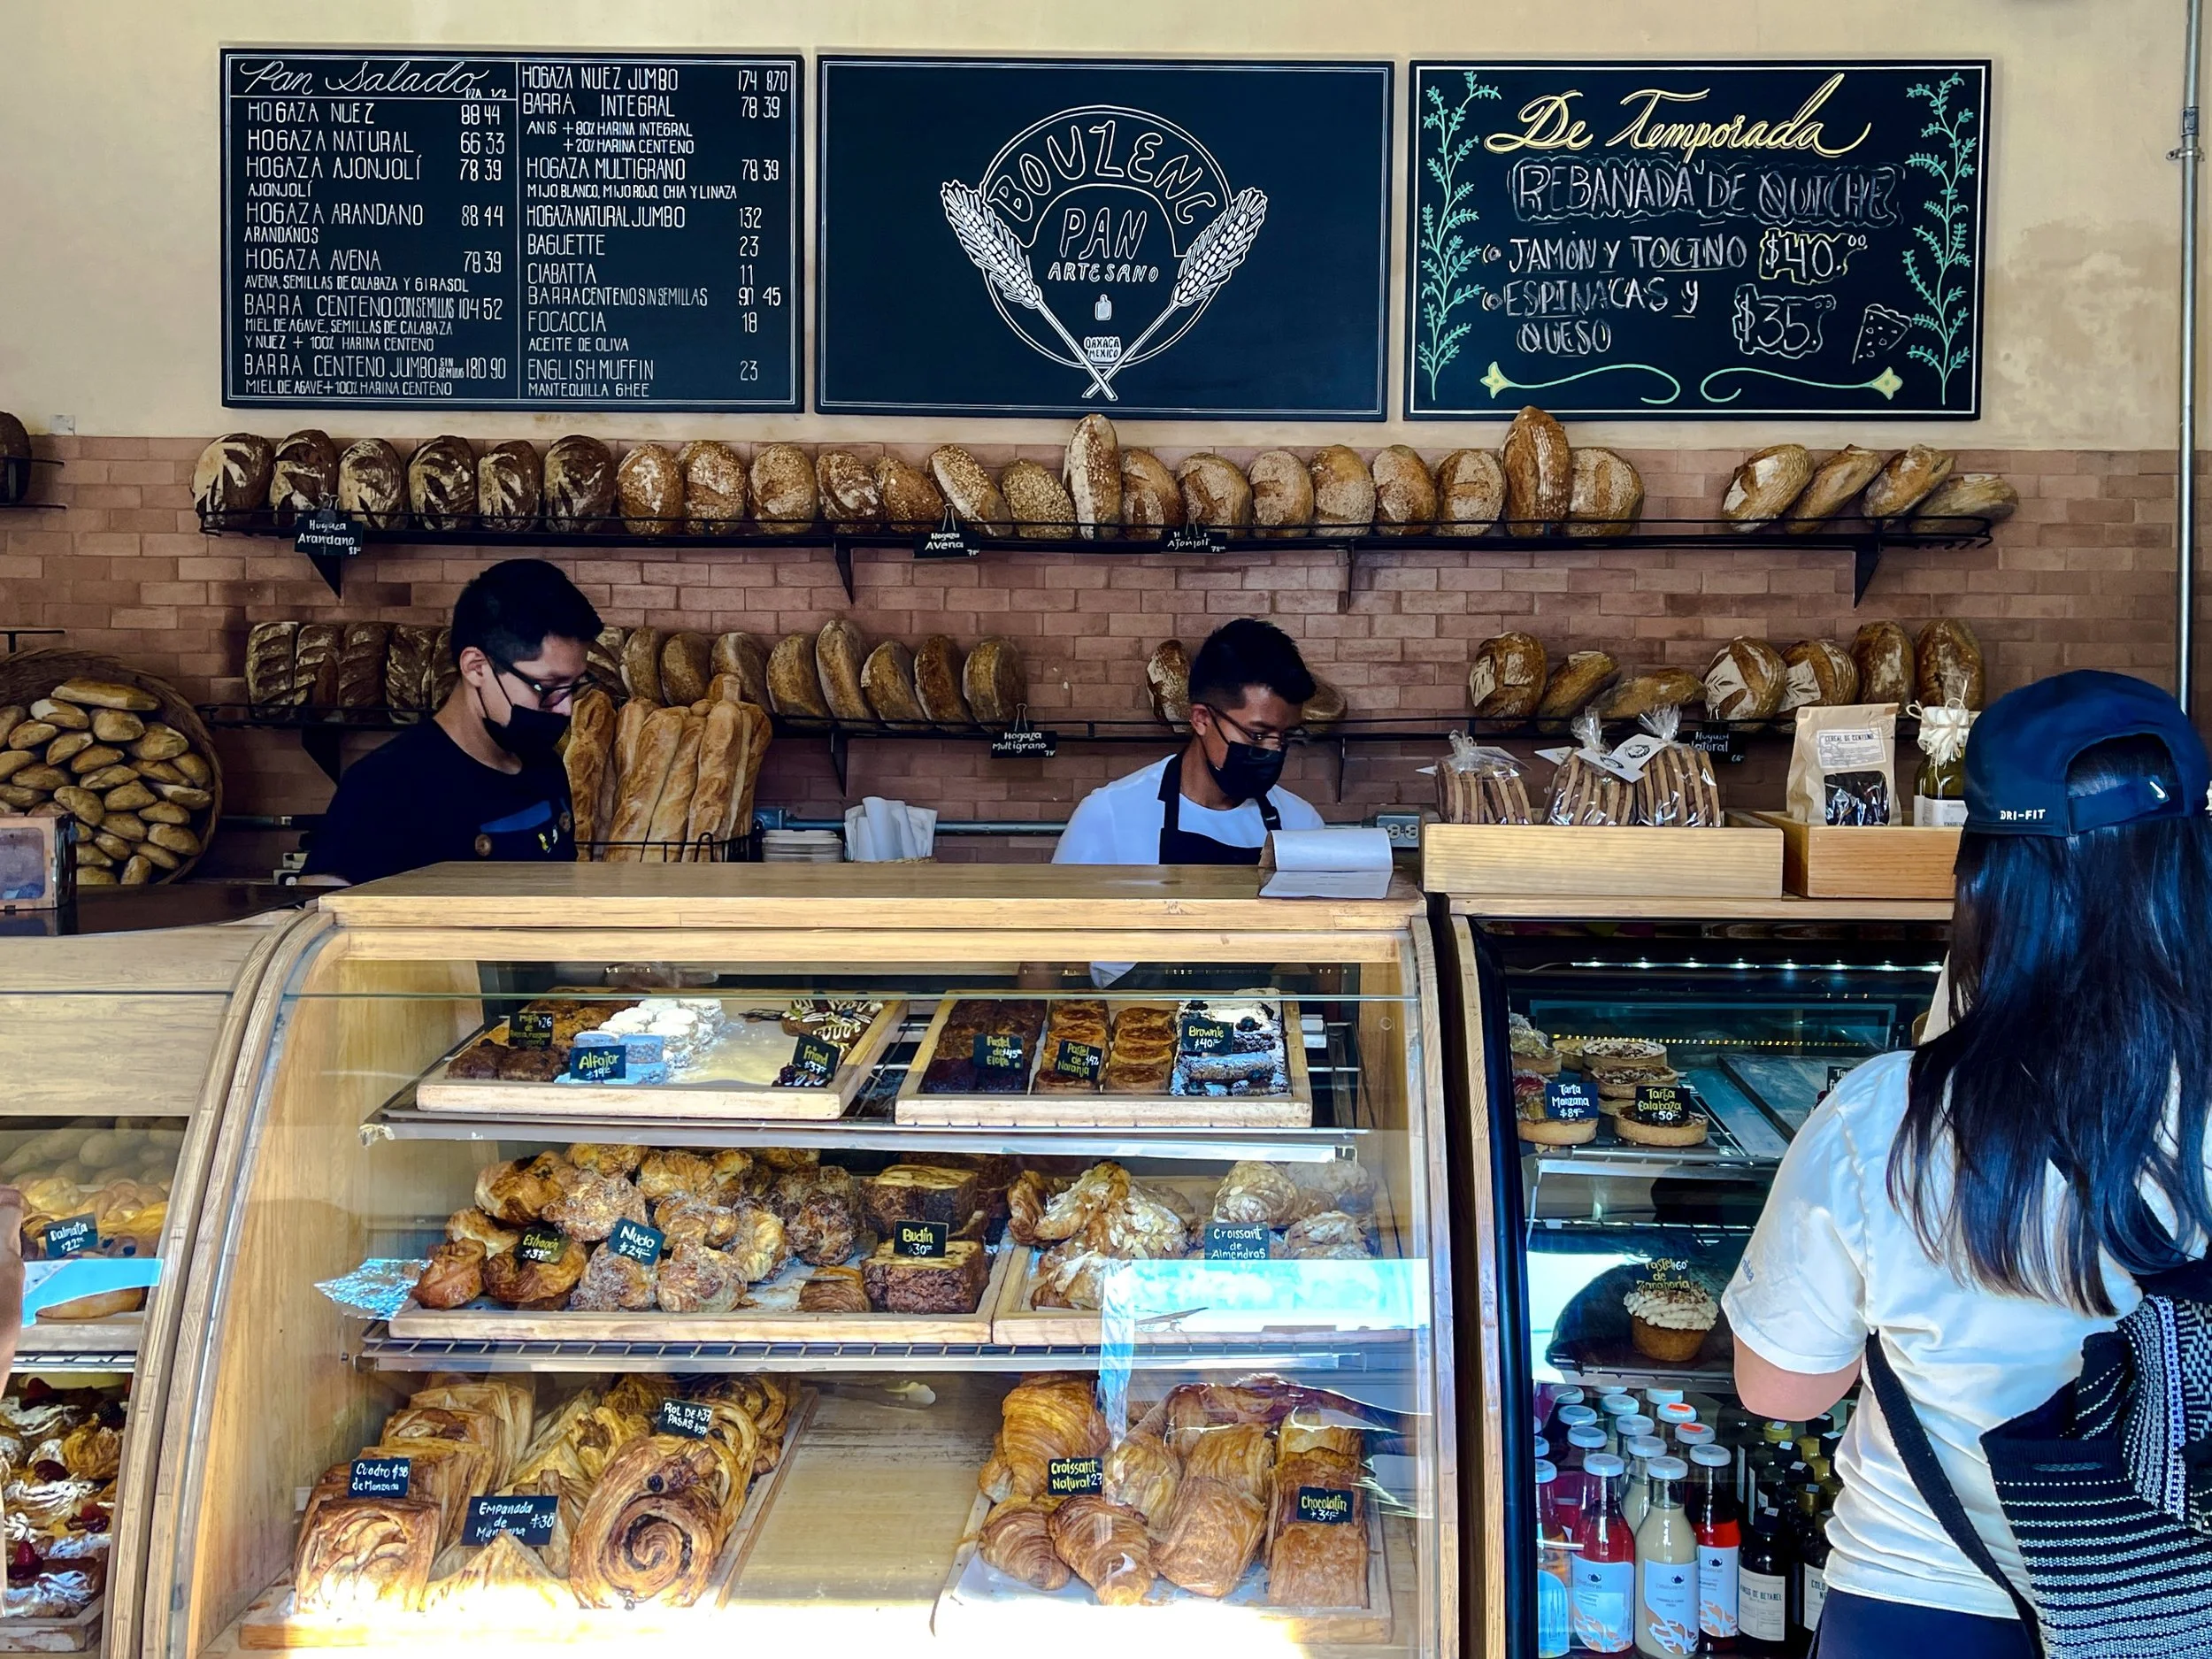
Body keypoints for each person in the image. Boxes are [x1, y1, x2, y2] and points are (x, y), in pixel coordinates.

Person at [1722, 670, 2212, 1656]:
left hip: (1922, 1599)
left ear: (1983, 874)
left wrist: (1907, 1315)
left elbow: (1781, 1390)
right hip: (2179, 1605)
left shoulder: (1886, 1116)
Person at [304, 559, 603, 886]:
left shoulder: (546, 767)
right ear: (476, 667)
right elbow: (320, 914)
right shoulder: (383, 787)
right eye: (547, 688)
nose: (565, 709)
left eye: (572, 686)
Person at [1053, 618, 1325, 868]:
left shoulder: (1301, 825)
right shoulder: (1109, 818)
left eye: (1285, 736)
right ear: (1201, 719)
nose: (1273, 750)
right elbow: (1062, 920)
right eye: (1257, 735)